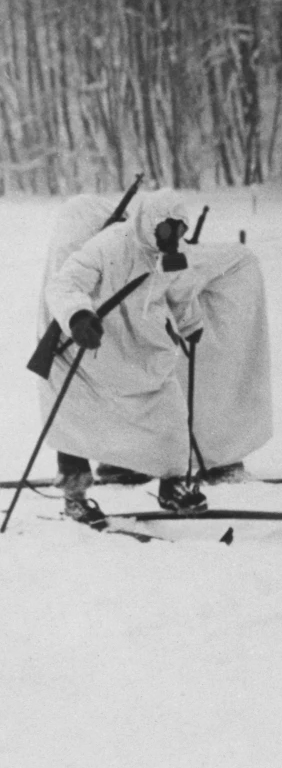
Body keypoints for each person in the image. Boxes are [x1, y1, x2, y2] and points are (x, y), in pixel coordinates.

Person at [40, 190, 204, 522]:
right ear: (149, 222)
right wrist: (77, 316)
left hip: (143, 349)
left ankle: (172, 485)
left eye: (180, 229)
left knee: (169, 413)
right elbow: (64, 284)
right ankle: (75, 497)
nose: (173, 237)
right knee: (75, 419)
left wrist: (191, 323)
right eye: (166, 229)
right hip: (94, 349)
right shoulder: (110, 244)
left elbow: (181, 293)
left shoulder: (174, 253)